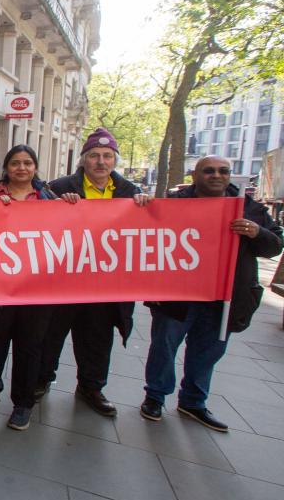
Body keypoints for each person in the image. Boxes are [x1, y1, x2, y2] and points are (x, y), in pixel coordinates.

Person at [140, 156, 282, 431]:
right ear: (195, 175)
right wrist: (143, 205)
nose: (216, 176)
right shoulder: (174, 204)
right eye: (209, 171)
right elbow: (147, 234)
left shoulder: (248, 208)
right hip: (179, 296)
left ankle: (193, 401)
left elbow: (274, 246)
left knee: (207, 351)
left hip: (225, 297)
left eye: (223, 171)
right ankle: (155, 396)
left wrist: (256, 232)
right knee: (164, 346)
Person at [36, 128, 151, 417]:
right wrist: (58, 205)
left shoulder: (131, 193)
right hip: (63, 282)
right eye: (95, 156)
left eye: (107, 156)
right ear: (84, 160)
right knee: (51, 335)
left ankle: (91, 386)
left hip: (104, 286)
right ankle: (42, 379)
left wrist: (145, 208)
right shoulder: (59, 187)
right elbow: (38, 222)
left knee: (98, 339)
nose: (101, 162)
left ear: (114, 161)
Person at [0, 145, 64, 430]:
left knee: (30, 346)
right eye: (15, 163)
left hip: (37, 289)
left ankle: (23, 404)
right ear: (6, 167)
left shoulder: (50, 199)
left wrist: (71, 204)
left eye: (27, 163)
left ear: (35, 167)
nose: (21, 168)